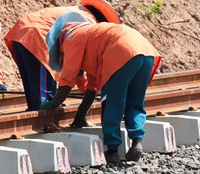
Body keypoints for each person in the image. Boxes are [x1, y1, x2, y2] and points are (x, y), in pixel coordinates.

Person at [40, 12, 161, 164]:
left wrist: (54, 103)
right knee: (134, 102)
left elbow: (68, 76)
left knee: (112, 103)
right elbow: (93, 86)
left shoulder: (71, 38)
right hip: (145, 51)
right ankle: (137, 141)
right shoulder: (93, 37)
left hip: (120, 52)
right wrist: (81, 114)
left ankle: (112, 151)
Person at [3, 0, 120, 111]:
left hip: (20, 33)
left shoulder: (77, 11)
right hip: (37, 36)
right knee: (45, 89)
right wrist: (88, 90)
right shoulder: (88, 23)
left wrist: (86, 89)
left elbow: (74, 61)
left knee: (32, 83)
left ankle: (35, 113)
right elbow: (76, 59)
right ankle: (45, 119)